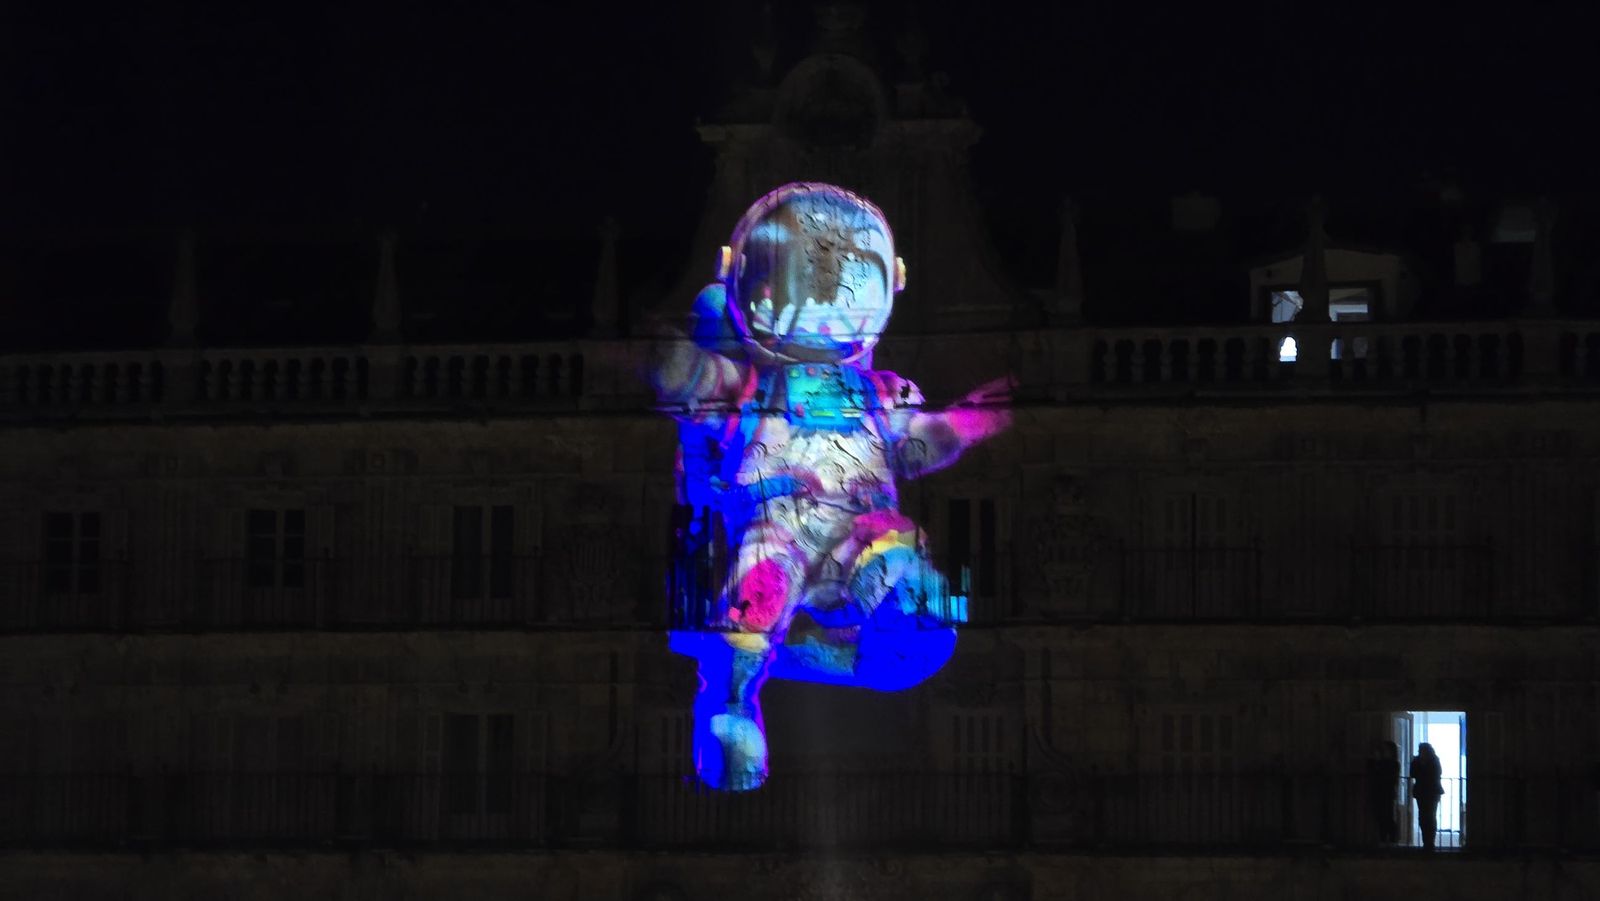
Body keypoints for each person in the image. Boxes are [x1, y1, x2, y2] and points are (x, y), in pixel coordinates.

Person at [1411, 742, 1445, 849]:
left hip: (1431, 792)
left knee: (1430, 816)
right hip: (1423, 792)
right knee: (1423, 817)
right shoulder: (1417, 760)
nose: (1420, 752)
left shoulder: (1434, 759)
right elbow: (1412, 773)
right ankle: (1426, 841)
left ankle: (1430, 842)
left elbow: (1437, 772)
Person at [1366, 740, 1400, 843]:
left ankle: (1392, 839)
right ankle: (1383, 839)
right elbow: (1371, 771)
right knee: (1379, 816)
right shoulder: (1379, 762)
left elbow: (1388, 777)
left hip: (1387, 792)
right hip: (1378, 792)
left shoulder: (1393, 763)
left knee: (1387, 816)